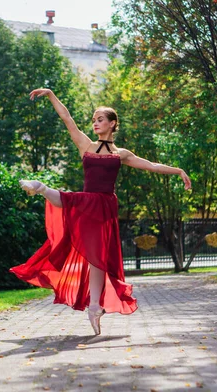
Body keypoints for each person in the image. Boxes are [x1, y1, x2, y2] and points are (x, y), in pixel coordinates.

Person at [10, 88, 191, 335]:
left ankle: (94, 307)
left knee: (98, 259)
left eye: (100, 120)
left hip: (105, 208)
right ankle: (41, 188)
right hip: (89, 201)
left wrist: (178, 170)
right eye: (94, 120)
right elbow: (67, 119)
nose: (95, 123)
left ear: (112, 124)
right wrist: (52, 94)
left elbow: (151, 166)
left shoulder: (120, 154)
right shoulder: (86, 145)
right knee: (71, 201)